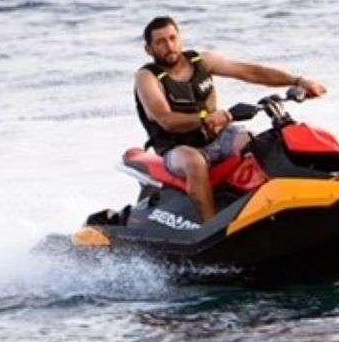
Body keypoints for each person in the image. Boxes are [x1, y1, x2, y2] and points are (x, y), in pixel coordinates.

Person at [135, 16, 327, 222]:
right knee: (194, 163)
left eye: (172, 38)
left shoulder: (201, 61)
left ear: (181, 38)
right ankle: (210, 226)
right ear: (149, 49)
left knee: (257, 142)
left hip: (218, 137)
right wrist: (206, 118)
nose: (169, 46)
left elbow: (250, 72)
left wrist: (298, 81)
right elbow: (166, 120)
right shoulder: (147, 77)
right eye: (160, 42)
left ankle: (282, 204)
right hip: (178, 149)